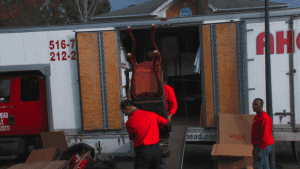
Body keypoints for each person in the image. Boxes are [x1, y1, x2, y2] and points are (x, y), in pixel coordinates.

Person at [120, 100, 171, 169]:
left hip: (143, 152)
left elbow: (132, 137)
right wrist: (164, 133)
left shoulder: (130, 122)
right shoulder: (152, 114)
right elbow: (167, 124)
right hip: (156, 150)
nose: (125, 114)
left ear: (127, 108)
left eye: (124, 112)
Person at [251, 98, 274, 169]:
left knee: (258, 165)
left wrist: (261, 148)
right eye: (253, 104)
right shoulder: (257, 116)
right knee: (264, 165)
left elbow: (265, 134)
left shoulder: (264, 117)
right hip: (259, 145)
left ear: (261, 105)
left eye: (256, 104)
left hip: (262, 146)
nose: (253, 106)